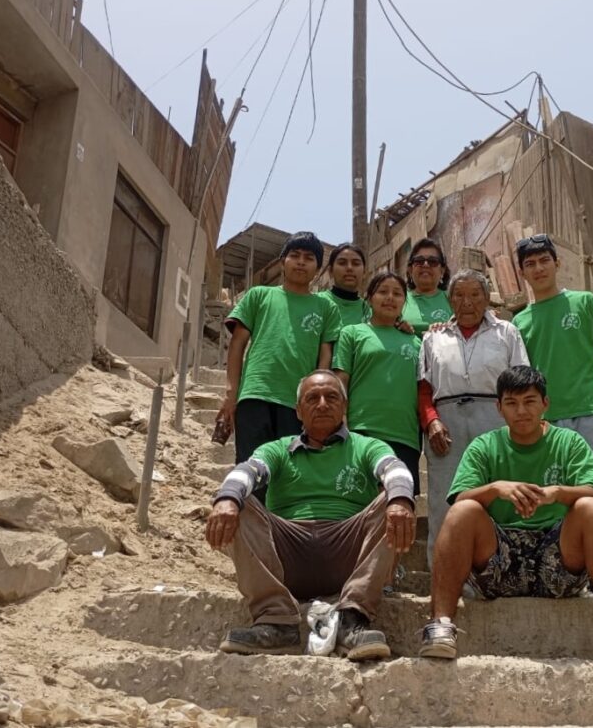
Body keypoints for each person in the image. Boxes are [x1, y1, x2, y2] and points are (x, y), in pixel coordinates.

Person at [418, 366, 593, 665]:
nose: (521, 411)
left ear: (545, 404)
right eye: (511, 403)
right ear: (499, 408)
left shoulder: (569, 442)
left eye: (530, 401)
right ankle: (441, 625)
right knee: (463, 510)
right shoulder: (485, 446)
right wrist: (496, 489)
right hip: (499, 564)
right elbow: (459, 498)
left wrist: (557, 493)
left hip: (559, 562)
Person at [205, 371, 416, 660]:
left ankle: (352, 619)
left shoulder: (367, 446)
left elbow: (394, 468)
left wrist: (401, 499)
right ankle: (276, 621)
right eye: (312, 398)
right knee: (237, 501)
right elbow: (248, 470)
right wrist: (227, 499)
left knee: (394, 500)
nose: (322, 404)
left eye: (332, 397)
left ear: (344, 406)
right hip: (287, 554)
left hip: (348, 554)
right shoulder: (278, 449)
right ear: (298, 411)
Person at [217, 233, 342, 503]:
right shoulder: (258, 295)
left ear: (318, 268)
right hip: (255, 395)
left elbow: (326, 355)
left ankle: (282, 528)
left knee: (290, 473)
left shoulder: (326, 307)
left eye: (309, 258)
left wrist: (315, 399)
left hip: (296, 405)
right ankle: (250, 526)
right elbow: (237, 344)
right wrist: (231, 393)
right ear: (282, 261)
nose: (301, 262)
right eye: (294, 256)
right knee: (250, 469)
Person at [418, 269, 529, 560]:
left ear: (487, 298)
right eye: (459, 295)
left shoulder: (507, 332)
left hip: (495, 418)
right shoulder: (433, 337)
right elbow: (424, 389)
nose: (467, 302)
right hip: (446, 424)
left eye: (475, 294)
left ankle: (502, 570)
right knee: (445, 501)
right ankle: (444, 574)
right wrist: (431, 421)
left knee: (499, 497)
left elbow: (520, 382)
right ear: (450, 300)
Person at [512, 234, 593, 494]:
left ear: (558, 263)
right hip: (546, 421)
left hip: (592, 414)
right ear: (521, 273)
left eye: (544, 260)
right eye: (530, 264)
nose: (539, 268)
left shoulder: (586, 302)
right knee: (551, 501)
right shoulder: (519, 323)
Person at [332, 271, 422, 492]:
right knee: (360, 501)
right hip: (363, 430)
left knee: (400, 502)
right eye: (383, 292)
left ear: (404, 302)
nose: (390, 298)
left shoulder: (416, 342)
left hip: (405, 435)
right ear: (370, 298)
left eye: (397, 294)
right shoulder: (352, 333)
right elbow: (341, 381)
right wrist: (341, 423)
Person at [401, 237, 453, 336]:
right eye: (419, 261)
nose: (425, 265)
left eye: (433, 261)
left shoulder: (453, 300)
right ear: (410, 270)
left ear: (442, 271)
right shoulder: (400, 299)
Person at [317, 243, 370, 326]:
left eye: (356, 263)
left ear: (364, 272)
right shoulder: (317, 302)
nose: (349, 268)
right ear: (330, 271)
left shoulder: (369, 312)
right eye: (342, 263)